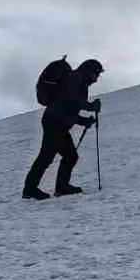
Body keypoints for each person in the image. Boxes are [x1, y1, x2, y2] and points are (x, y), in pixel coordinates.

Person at [23, 58, 102, 199]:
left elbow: (69, 109)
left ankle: (60, 187)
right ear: (89, 71)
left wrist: (84, 121)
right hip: (55, 122)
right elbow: (72, 100)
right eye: (96, 74)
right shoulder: (75, 77)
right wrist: (91, 107)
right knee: (47, 157)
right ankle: (31, 189)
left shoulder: (79, 81)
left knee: (69, 156)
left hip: (57, 122)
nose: (96, 79)